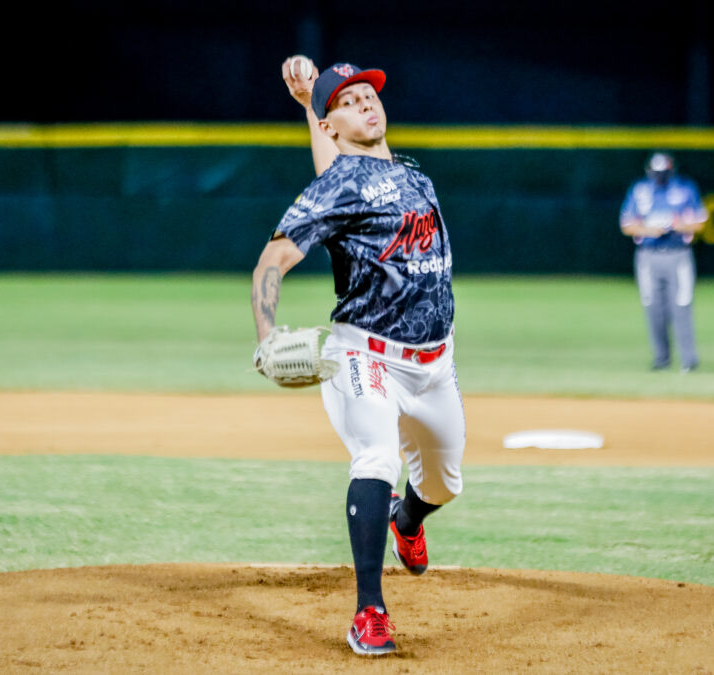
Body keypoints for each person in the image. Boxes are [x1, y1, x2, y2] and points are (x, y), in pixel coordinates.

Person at [251, 57, 465, 657]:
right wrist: (267, 335)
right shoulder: (333, 185)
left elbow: (349, 174)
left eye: (369, 92)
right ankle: (369, 611)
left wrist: (312, 102)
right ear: (332, 124)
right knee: (375, 457)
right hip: (363, 351)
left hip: (435, 363)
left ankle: (408, 521)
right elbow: (271, 263)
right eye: (348, 99)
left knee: (445, 484)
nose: (366, 100)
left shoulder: (412, 175)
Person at [619, 152, 707, 372]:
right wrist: (650, 230)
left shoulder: (685, 189)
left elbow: (700, 223)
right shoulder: (640, 190)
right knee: (653, 308)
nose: (660, 177)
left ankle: (689, 360)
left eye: (664, 173)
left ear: (671, 171)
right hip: (648, 255)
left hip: (678, 254)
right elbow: (627, 225)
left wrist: (679, 226)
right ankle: (661, 358)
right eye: (657, 173)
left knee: (682, 305)